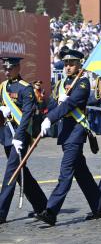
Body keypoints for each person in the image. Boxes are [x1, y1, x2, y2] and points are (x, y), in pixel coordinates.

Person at [36, 47, 101, 226]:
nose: (67, 67)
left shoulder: (82, 83)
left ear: (79, 64)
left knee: (65, 172)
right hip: (65, 132)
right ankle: (99, 207)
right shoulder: (60, 84)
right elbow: (52, 104)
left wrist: (51, 118)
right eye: (66, 63)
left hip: (76, 132)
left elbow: (71, 104)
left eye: (72, 63)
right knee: (81, 173)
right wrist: (48, 116)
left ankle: (51, 211)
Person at [0, 57, 47, 224]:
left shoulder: (26, 89)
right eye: (4, 68)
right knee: (21, 173)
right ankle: (41, 204)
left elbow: (26, 116)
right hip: (6, 135)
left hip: (20, 137)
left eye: (10, 68)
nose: (6, 71)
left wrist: (19, 138)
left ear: (18, 68)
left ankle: (1, 212)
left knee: (11, 172)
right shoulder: (3, 87)